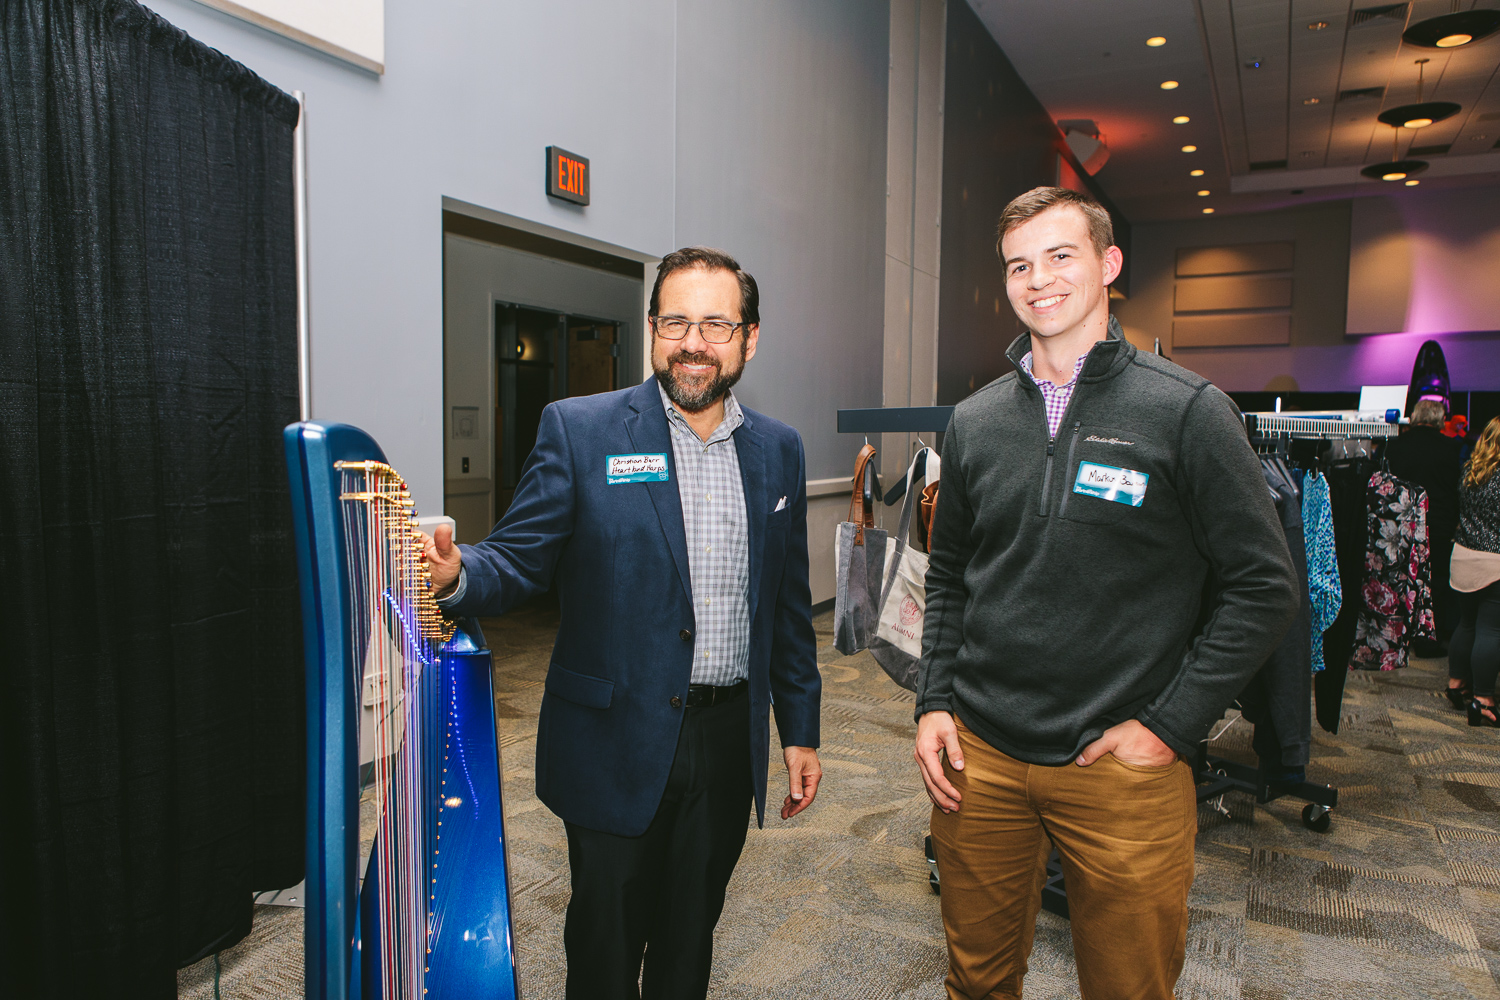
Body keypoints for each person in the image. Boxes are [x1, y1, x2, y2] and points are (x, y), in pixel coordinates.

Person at [913, 186, 1300, 1000]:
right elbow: (948, 575)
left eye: (1060, 256)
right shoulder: (975, 421)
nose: (1038, 280)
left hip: (1122, 765)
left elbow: (1264, 587)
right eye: (1019, 265)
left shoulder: (1187, 411)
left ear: (1109, 263)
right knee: (975, 982)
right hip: (981, 755)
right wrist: (934, 701)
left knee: (1130, 988)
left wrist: (1170, 725)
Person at [421, 246, 822, 1000]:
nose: (693, 343)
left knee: (689, 939)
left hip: (725, 739)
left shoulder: (779, 451)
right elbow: (519, 557)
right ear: (652, 329)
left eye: (715, 324)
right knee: (604, 949)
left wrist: (800, 730)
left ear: (749, 338)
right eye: (675, 322)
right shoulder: (582, 430)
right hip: (612, 737)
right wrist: (458, 573)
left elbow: (787, 607)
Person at [1386, 398, 1464, 657]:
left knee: (1399, 579)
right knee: (1436, 582)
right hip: (1438, 523)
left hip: (1401, 523)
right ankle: (1429, 640)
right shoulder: (1452, 448)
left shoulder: (1395, 446)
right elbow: (1457, 489)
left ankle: (1397, 637)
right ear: (1440, 420)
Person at [1450, 415, 1500, 727]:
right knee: (1491, 630)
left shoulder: (1471, 471)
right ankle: (1483, 700)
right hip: (1493, 562)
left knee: (1467, 624)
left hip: (1462, 557)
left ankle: (1456, 685)